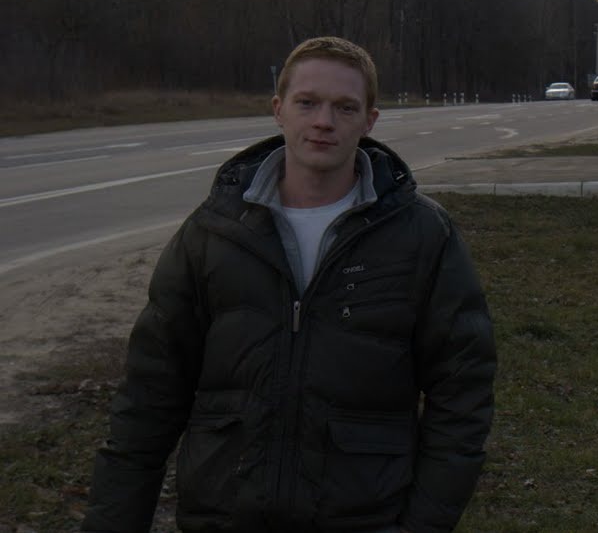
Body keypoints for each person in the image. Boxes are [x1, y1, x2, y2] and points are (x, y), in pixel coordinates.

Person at [83, 36, 496, 533]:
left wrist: (424, 524)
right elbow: (148, 398)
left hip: (364, 517)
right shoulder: (213, 232)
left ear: (370, 121)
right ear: (279, 110)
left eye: (345, 107)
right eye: (308, 103)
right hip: (224, 516)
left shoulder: (423, 236)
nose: (324, 121)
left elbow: (463, 397)